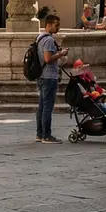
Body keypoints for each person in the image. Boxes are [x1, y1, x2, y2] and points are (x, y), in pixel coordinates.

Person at [35, 14, 68, 144]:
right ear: (49, 25)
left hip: (41, 75)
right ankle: (46, 135)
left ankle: (40, 133)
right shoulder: (48, 40)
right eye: (56, 25)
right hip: (49, 76)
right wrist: (61, 54)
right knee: (47, 107)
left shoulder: (39, 37)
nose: (58, 28)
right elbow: (48, 59)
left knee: (42, 106)